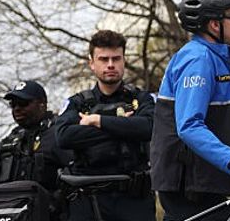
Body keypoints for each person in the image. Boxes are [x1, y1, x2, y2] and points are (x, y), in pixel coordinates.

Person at [151, 0, 230, 221]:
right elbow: (189, 126)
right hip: (191, 185)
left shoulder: (219, 58)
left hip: (208, 179)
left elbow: (226, 123)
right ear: (215, 25)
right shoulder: (198, 59)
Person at [56, 30, 156, 220]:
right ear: (91, 63)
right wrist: (124, 126)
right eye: (103, 59)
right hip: (88, 201)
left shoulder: (140, 99)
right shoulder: (77, 103)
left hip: (133, 200)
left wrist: (97, 120)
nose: (110, 65)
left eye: (116, 58)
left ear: (124, 60)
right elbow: (64, 136)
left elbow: (149, 128)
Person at [0, 80, 73, 213]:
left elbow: (77, 180)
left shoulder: (60, 135)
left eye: (24, 103)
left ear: (42, 104)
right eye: (13, 104)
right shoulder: (10, 140)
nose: (17, 108)